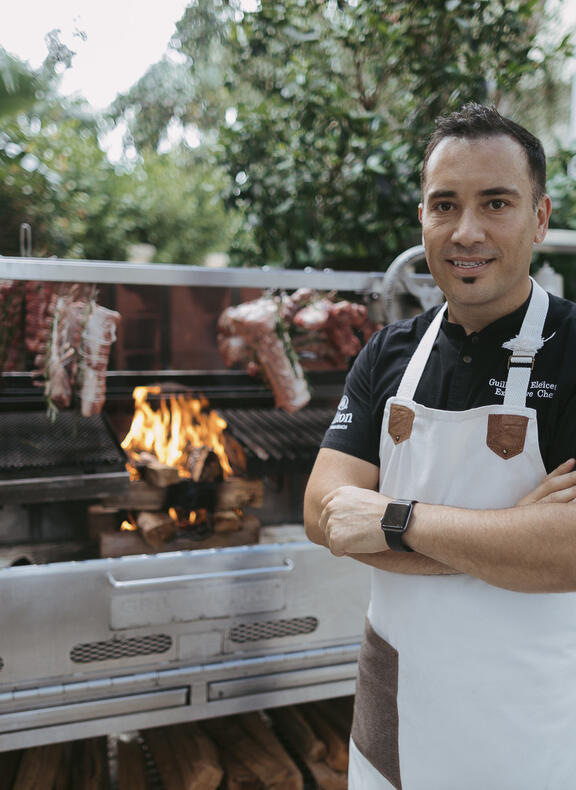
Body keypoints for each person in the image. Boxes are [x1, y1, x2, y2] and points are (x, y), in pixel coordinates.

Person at [303, 103, 576, 790]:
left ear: (539, 218)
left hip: (532, 721)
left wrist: (396, 521)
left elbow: (570, 551)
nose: (467, 232)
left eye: (496, 203)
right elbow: (325, 512)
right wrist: (512, 542)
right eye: (444, 204)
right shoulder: (388, 352)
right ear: (422, 217)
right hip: (396, 710)